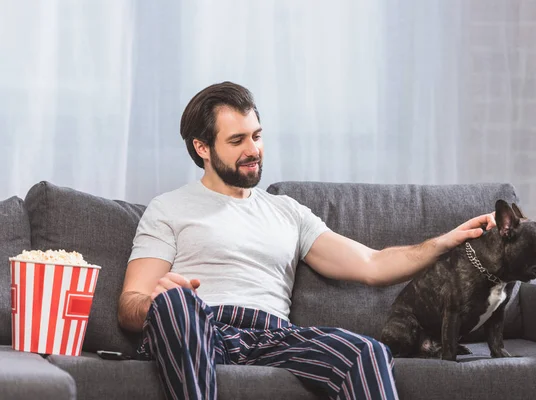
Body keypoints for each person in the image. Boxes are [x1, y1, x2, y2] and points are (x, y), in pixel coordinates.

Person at [118, 81, 496, 400]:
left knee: (364, 351)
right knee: (176, 301)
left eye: (257, 135)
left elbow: (372, 265)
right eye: (237, 140)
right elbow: (129, 304)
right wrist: (158, 301)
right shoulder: (169, 207)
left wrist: (447, 241)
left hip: (273, 337)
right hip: (201, 327)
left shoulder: (288, 212)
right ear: (203, 148)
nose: (254, 150)